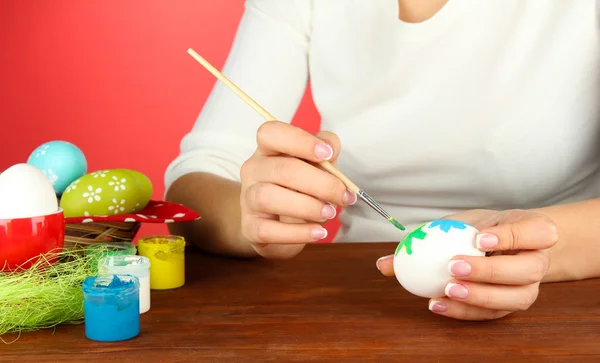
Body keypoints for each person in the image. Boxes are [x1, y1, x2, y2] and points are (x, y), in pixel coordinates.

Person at [164, 0, 600, 321]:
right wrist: (250, 218)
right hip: (356, 301)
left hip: (561, 306)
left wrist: (535, 248)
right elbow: (193, 184)